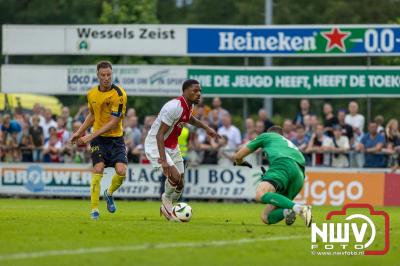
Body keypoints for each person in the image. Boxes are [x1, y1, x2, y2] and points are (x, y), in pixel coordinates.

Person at [144, 79, 220, 220]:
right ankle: (166, 202)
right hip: (155, 144)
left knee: (180, 183)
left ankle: (169, 205)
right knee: (175, 176)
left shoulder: (188, 105)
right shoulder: (174, 107)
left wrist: (207, 128)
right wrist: (163, 160)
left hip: (172, 146)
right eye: (195, 91)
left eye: (200, 91)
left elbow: (190, 119)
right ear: (185, 91)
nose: (198, 94)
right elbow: (160, 134)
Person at [70, 61, 128, 220]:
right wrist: (79, 132)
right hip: (99, 140)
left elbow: (113, 122)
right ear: (97, 75)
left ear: (112, 74)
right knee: (98, 169)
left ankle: (109, 194)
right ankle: (94, 210)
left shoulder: (119, 94)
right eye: (103, 75)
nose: (106, 78)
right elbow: (92, 115)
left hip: (116, 139)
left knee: (122, 171)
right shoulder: (91, 94)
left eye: (109, 75)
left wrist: (89, 136)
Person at [233, 126, 312, 227]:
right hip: (299, 175)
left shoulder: (267, 136)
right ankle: (287, 211)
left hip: (282, 165)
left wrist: (240, 162)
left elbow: (238, 156)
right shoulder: (288, 143)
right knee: (265, 217)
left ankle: (300, 209)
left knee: (260, 194)